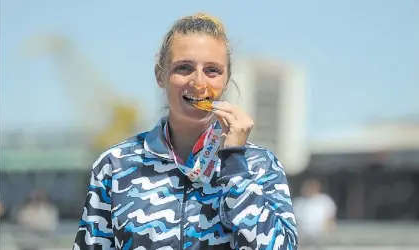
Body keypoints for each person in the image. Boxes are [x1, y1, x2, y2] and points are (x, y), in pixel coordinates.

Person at [73, 12, 298, 250]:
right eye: (184, 68)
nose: (198, 82)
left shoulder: (259, 165)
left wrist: (235, 166)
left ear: (227, 80)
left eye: (212, 70)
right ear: (160, 75)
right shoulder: (115, 165)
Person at [293, 178, 336, 250]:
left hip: (320, 235)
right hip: (303, 236)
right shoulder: (298, 202)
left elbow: (331, 219)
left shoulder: (325, 200)